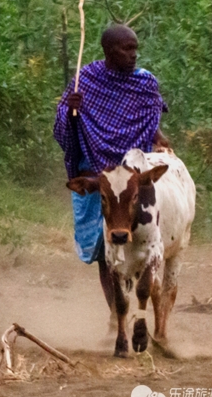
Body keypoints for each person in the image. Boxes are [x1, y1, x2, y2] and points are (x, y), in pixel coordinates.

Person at [53, 24, 169, 264]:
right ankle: (115, 294)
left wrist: (159, 140)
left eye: (135, 49)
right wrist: (71, 112)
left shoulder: (145, 82)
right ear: (108, 51)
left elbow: (150, 121)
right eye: (126, 49)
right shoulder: (86, 79)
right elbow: (63, 126)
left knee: (141, 239)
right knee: (103, 253)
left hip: (130, 172)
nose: (133, 55)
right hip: (96, 167)